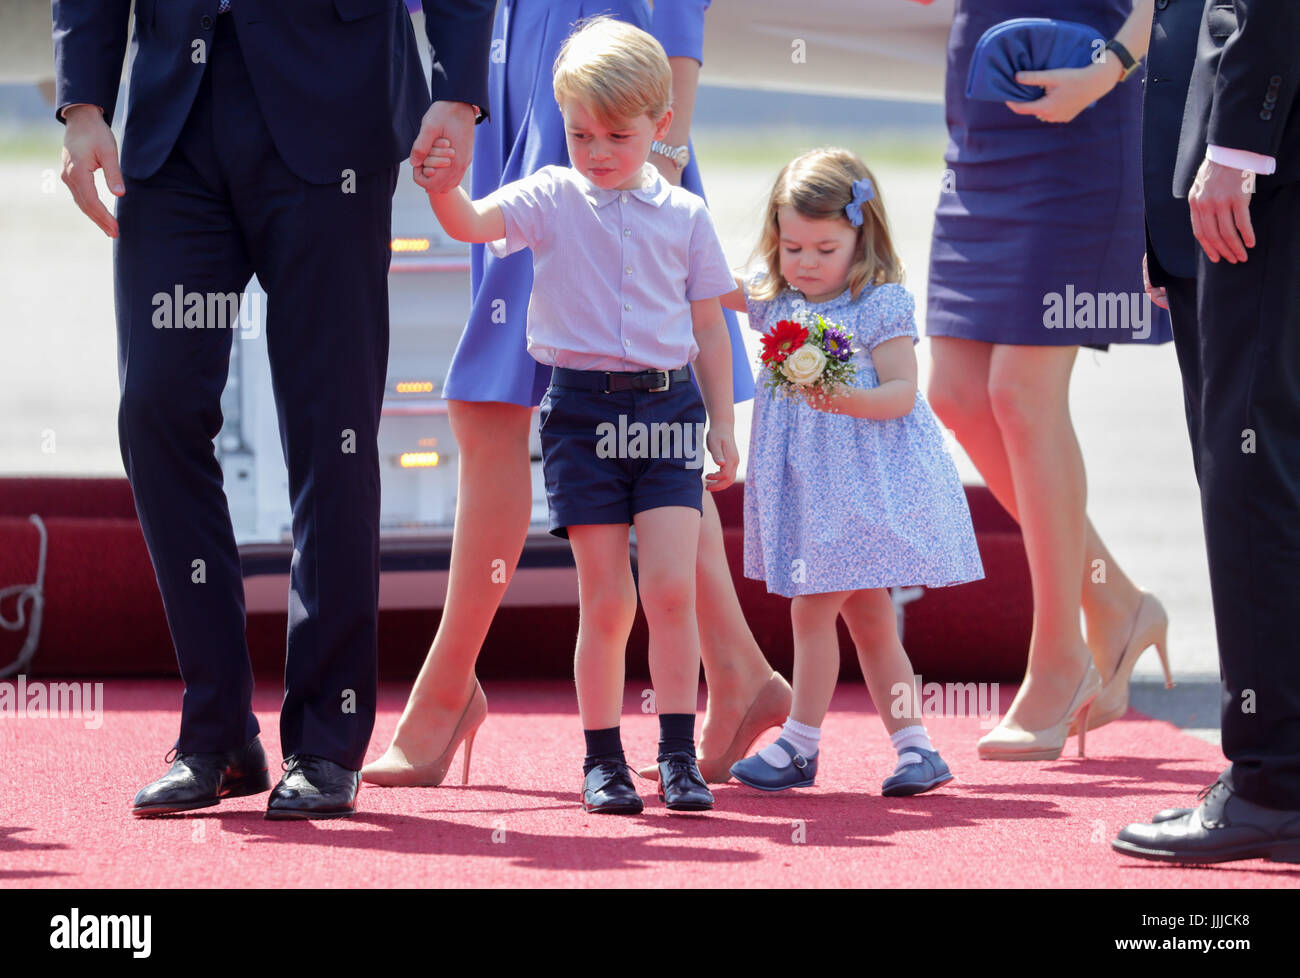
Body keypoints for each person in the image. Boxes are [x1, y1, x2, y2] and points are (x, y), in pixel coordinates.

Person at [53, 0, 494, 819]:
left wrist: (458, 91)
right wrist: (84, 104)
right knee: (155, 409)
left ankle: (328, 740)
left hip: (334, 121)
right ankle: (217, 731)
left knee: (334, 431)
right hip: (174, 129)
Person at [363, 0, 791, 792]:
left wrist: (661, 146)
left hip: (612, 80)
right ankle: (733, 673)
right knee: (518, 406)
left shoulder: (637, 166)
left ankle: (450, 688)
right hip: (526, 91)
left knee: (523, 404)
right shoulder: (559, 175)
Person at [921, 0, 1175, 761]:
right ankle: (1117, 603)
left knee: (1021, 394)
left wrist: (1109, 70)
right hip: (986, 102)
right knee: (957, 394)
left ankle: (1060, 656)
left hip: (1088, 103)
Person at [724, 148, 983, 794]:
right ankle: (917, 748)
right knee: (868, 620)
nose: (805, 263)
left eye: (824, 248)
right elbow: (722, 285)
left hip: (862, 488)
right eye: (791, 248)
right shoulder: (781, 300)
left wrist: (845, 401)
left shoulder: (877, 304)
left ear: (861, 239)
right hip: (813, 494)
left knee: (811, 613)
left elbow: (901, 391)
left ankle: (799, 746)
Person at [1115, 0, 1300, 864]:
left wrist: (1233, 148)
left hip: (1265, 166)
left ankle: (1274, 782)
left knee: (1252, 479)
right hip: (1236, 169)